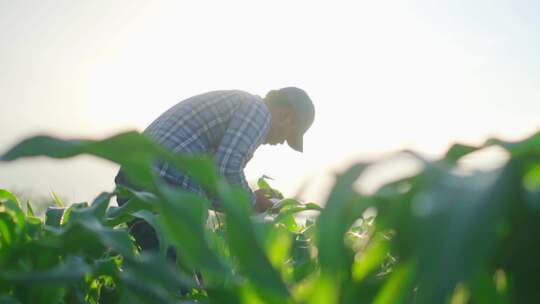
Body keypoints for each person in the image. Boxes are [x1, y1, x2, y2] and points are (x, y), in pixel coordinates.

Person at [115, 87, 315, 253]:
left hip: (137, 182)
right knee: (180, 283)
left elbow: (211, 182)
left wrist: (249, 203)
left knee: (165, 274)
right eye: (289, 137)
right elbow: (227, 168)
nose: (281, 143)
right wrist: (254, 204)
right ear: (284, 116)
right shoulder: (258, 111)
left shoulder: (237, 104)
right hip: (165, 185)